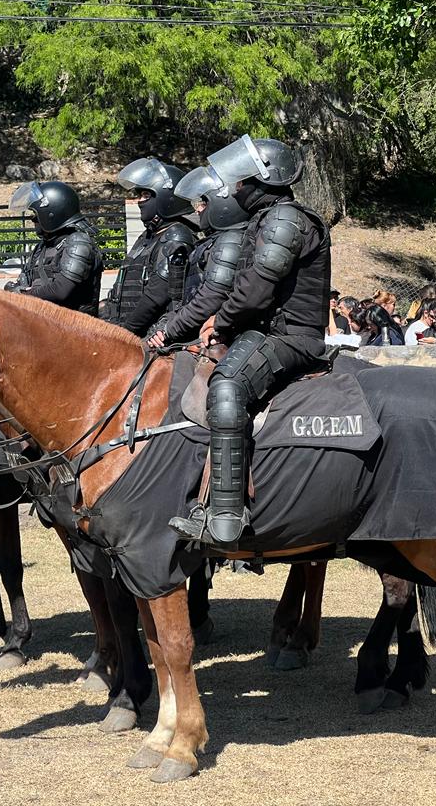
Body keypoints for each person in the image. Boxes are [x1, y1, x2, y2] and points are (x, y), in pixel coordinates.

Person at [169, 134, 331, 547]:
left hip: (291, 337)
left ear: (265, 180)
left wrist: (219, 323)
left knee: (226, 387)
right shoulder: (266, 219)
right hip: (263, 331)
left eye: (240, 183)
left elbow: (258, 288)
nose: (234, 190)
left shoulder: (286, 220)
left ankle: (225, 516)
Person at [146, 167, 250, 347]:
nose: (199, 209)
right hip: (191, 332)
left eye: (204, 203)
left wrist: (170, 330)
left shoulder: (230, 242)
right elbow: (183, 300)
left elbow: (211, 298)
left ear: (223, 204)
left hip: (212, 339)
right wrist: (163, 324)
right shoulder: (212, 242)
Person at [100, 157, 198, 336]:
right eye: (139, 195)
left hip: (152, 337)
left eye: (146, 196)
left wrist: (124, 334)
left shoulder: (176, 237)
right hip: (125, 332)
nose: (139, 201)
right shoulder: (148, 236)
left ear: (165, 197)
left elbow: (156, 297)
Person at [6, 181, 103, 315]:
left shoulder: (78, 242)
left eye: (35, 215)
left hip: (76, 329)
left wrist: (23, 294)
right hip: (46, 325)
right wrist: (15, 288)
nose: (32, 220)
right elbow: (27, 279)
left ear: (51, 214)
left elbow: (61, 290)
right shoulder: (42, 247)